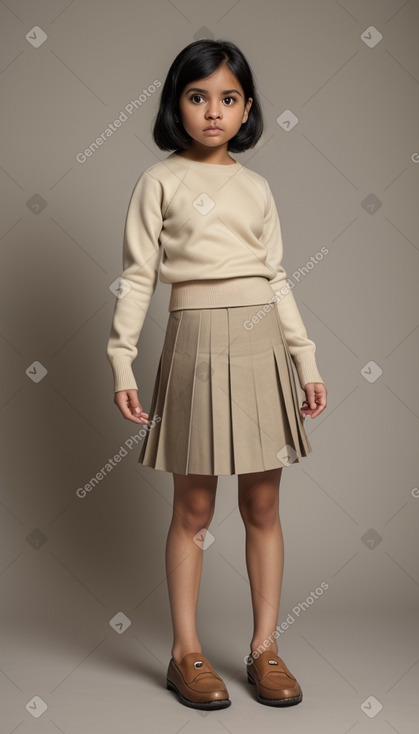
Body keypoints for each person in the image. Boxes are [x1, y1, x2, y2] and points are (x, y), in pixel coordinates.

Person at [106, 38, 328, 711]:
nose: (212, 111)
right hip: (194, 342)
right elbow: (139, 275)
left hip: (261, 342)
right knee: (195, 508)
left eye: (226, 98)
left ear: (246, 109)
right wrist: (120, 358)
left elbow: (276, 276)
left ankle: (265, 648)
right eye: (197, 96)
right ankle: (185, 652)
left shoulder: (256, 188)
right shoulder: (160, 181)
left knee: (261, 504)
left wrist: (304, 357)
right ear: (177, 106)